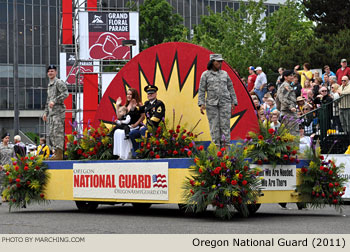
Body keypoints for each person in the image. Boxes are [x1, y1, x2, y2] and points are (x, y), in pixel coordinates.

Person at [198, 54, 238, 148]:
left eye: (221, 61)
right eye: (217, 61)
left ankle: (226, 147)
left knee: (225, 125)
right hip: (212, 104)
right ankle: (216, 148)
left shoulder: (225, 74)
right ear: (212, 62)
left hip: (225, 103)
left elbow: (230, 87)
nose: (220, 63)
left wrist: (234, 101)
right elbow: (202, 89)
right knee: (214, 126)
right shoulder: (205, 75)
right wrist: (201, 103)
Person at [129, 85, 165, 158]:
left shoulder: (159, 104)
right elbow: (138, 111)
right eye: (148, 93)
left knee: (143, 131)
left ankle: (143, 152)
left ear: (155, 94)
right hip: (146, 127)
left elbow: (156, 118)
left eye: (152, 93)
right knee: (133, 133)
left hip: (155, 128)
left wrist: (145, 126)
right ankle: (136, 153)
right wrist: (133, 108)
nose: (150, 95)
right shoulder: (147, 104)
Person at [42, 65, 68, 160]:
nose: (50, 73)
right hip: (51, 114)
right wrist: (45, 113)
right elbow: (48, 100)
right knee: (52, 133)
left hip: (58, 112)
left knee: (58, 133)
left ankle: (60, 153)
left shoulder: (58, 82)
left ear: (56, 72)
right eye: (49, 71)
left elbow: (65, 93)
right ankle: (55, 152)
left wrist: (55, 101)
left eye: (52, 71)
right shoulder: (49, 85)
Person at [113, 88, 145, 159]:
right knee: (117, 132)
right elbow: (119, 116)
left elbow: (143, 117)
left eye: (131, 94)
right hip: (127, 126)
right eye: (128, 94)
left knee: (122, 133)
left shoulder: (139, 104)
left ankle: (127, 154)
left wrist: (136, 124)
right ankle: (121, 154)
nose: (129, 96)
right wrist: (117, 106)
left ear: (134, 95)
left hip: (135, 126)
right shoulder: (126, 105)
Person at [275, 70, 298, 135]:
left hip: (289, 112)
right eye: (290, 75)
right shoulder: (285, 86)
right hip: (288, 112)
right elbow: (283, 99)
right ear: (285, 77)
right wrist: (291, 107)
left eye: (293, 75)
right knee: (292, 133)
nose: (292, 77)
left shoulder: (287, 85)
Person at [0, 133, 14, 203]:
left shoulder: (11, 147)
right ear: (2, 139)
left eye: (8, 138)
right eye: (6, 138)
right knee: (3, 182)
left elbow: (13, 156)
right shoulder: (0, 147)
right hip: (2, 167)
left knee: (10, 182)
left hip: (10, 166)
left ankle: (9, 196)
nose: (7, 139)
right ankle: (3, 196)